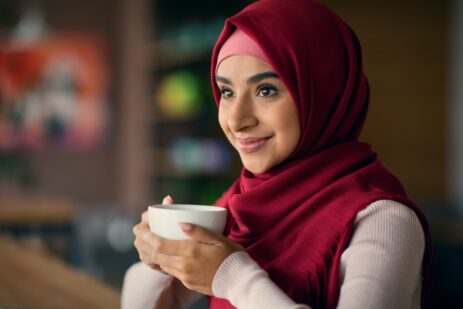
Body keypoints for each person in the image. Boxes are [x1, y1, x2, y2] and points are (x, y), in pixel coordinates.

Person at [121, 0, 432, 308]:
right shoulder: (239, 205)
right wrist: (159, 260)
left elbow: (230, 279)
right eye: (227, 92)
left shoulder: (383, 220)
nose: (237, 120)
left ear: (324, 93)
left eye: (266, 90)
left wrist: (232, 276)